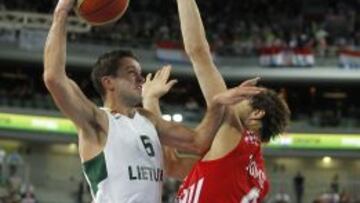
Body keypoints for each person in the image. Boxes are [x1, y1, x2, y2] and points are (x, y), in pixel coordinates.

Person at [43, 0, 263, 202]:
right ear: (109, 82)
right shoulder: (97, 121)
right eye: (131, 72)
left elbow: (198, 142)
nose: (141, 78)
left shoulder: (148, 120)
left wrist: (216, 104)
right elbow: (53, 77)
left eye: (140, 72)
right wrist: (62, 11)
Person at [145, 0, 291, 202]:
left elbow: (198, 52)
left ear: (257, 113)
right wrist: (151, 99)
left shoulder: (233, 132)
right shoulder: (257, 175)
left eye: (245, 95)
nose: (236, 93)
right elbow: (172, 164)